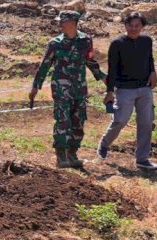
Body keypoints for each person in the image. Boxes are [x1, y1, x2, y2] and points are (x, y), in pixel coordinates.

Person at [29, 10, 105, 168]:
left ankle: (72, 153)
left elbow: (89, 60)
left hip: (79, 89)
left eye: (63, 21)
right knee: (63, 121)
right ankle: (61, 155)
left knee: (78, 121)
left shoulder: (85, 40)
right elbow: (45, 65)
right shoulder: (55, 43)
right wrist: (36, 86)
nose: (60, 24)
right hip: (61, 89)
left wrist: (103, 77)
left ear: (73, 22)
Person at [97, 11, 157, 170]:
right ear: (125, 26)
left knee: (146, 123)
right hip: (125, 89)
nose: (133, 29)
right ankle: (105, 143)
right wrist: (109, 91)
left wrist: (153, 72)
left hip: (144, 88)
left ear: (142, 26)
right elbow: (112, 69)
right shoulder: (117, 43)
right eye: (130, 25)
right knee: (120, 120)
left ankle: (142, 159)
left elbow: (149, 58)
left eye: (137, 26)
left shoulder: (146, 41)